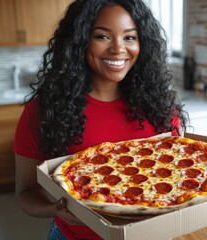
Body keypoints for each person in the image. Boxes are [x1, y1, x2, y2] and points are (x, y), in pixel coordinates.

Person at [14, 0, 188, 239]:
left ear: (142, 43)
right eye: (102, 36)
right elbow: (25, 192)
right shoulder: (43, 112)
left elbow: (180, 176)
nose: (118, 49)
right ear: (79, 41)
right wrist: (55, 210)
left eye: (129, 37)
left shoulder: (161, 106)